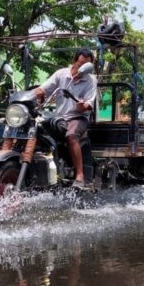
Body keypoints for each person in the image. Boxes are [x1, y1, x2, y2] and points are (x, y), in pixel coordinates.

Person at [34, 48, 98, 189]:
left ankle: (80, 176)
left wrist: (84, 106)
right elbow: (43, 89)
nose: (82, 69)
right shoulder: (61, 74)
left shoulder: (91, 80)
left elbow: (89, 103)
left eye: (86, 66)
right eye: (80, 64)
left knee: (71, 136)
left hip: (78, 117)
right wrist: (26, 96)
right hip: (59, 117)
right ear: (74, 61)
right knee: (36, 130)